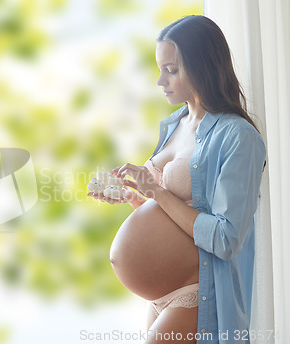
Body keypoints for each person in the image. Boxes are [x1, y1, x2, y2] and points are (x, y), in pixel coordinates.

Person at [88, 15, 266, 344]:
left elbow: (227, 239)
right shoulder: (175, 124)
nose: (161, 81)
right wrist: (134, 198)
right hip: (160, 296)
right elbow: (172, 209)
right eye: (161, 69)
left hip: (198, 289)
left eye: (171, 70)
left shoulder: (238, 137)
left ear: (203, 67)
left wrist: (156, 191)